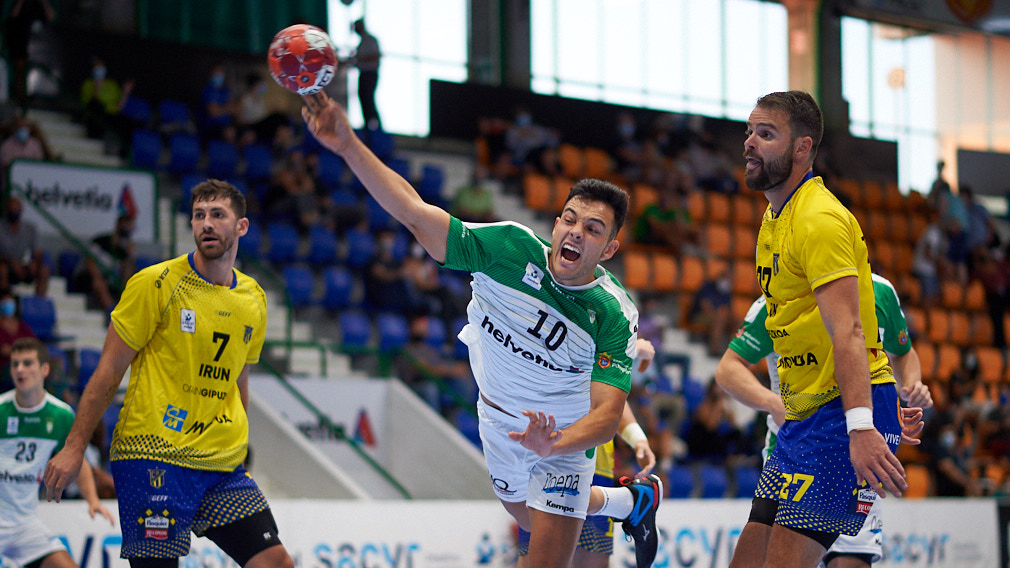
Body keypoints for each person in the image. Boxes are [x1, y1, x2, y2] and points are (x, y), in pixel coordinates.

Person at [301, 95, 662, 568]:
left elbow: (607, 413)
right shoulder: (507, 248)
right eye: (570, 220)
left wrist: (553, 443)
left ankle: (614, 500)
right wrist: (347, 144)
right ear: (555, 225)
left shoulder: (612, 312)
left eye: (593, 229)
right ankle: (629, 502)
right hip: (497, 423)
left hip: (562, 440)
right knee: (526, 517)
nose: (576, 233)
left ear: (610, 248)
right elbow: (412, 211)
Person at [43, 180, 295, 568]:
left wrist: (240, 446)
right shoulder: (155, 283)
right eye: (199, 215)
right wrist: (75, 447)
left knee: (275, 562)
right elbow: (108, 370)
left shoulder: (254, 299)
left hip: (219, 462)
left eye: (217, 215)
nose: (206, 224)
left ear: (241, 227)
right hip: (153, 454)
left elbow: (238, 378)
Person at [733, 90, 905, 568]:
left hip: (840, 417)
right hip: (802, 420)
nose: (750, 143)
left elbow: (849, 331)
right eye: (749, 131)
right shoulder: (773, 217)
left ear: (802, 148)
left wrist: (862, 425)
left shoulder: (819, 219)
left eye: (766, 134)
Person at [716, 271, 933, 568]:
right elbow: (728, 369)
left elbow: (903, 352)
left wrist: (911, 385)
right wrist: (775, 404)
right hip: (796, 454)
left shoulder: (879, 290)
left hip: (858, 455)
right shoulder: (778, 300)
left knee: (847, 562)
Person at [516, 338, 657, 568]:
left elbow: (609, 397)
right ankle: (629, 501)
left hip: (591, 461)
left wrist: (636, 438)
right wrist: (627, 348)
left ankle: (630, 501)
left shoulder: (604, 315)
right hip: (542, 455)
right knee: (531, 559)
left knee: (589, 562)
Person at [1, 337, 115, 568]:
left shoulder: (61, 415)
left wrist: (92, 500)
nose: (20, 370)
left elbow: (76, 461)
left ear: (44, 369)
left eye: (27, 363)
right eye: (15, 364)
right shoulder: (1, 409)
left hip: (25, 525)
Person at [72, 214, 138, 312]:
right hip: (87, 276)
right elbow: (90, 261)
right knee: (100, 283)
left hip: (107, 279)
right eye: (126, 225)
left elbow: (127, 276)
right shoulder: (101, 241)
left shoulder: (123, 250)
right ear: (118, 225)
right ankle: (111, 314)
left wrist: (129, 257)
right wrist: (96, 277)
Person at [4, 0, 54, 108]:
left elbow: (51, 17)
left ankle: (32, 97)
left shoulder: (40, 5)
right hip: (21, 43)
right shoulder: (20, 4)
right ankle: (20, 98)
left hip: (39, 47)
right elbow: (13, 15)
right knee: (20, 71)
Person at [80, 57, 134, 156]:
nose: (100, 71)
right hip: (96, 115)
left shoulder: (112, 85)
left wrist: (126, 93)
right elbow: (91, 103)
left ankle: (123, 155)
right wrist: (97, 87)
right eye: (97, 69)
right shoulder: (87, 84)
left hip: (111, 116)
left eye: (101, 68)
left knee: (126, 123)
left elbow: (118, 107)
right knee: (96, 107)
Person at [0, 196, 49, 297]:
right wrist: (12, 262)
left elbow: (37, 251)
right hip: (5, 264)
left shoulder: (30, 229)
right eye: (11, 209)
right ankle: (5, 300)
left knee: (44, 270)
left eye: (16, 209)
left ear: (21, 210)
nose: (14, 212)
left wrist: (34, 263)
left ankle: (38, 303)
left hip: (23, 265)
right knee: (2, 270)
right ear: (6, 210)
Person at [350, 19, 381, 130]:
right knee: (363, 98)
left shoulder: (371, 40)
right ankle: (368, 124)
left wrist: (360, 59)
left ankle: (375, 126)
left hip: (370, 74)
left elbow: (375, 56)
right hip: (363, 74)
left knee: (368, 99)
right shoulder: (362, 42)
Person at [0, 290, 35, 391]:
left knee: (55, 372)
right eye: (5, 302)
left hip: (28, 363)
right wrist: (26, 352)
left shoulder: (22, 326)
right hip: (6, 368)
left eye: (10, 302)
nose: (8, 305)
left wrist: (15, 351)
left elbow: (34, 345)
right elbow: (4, 350)